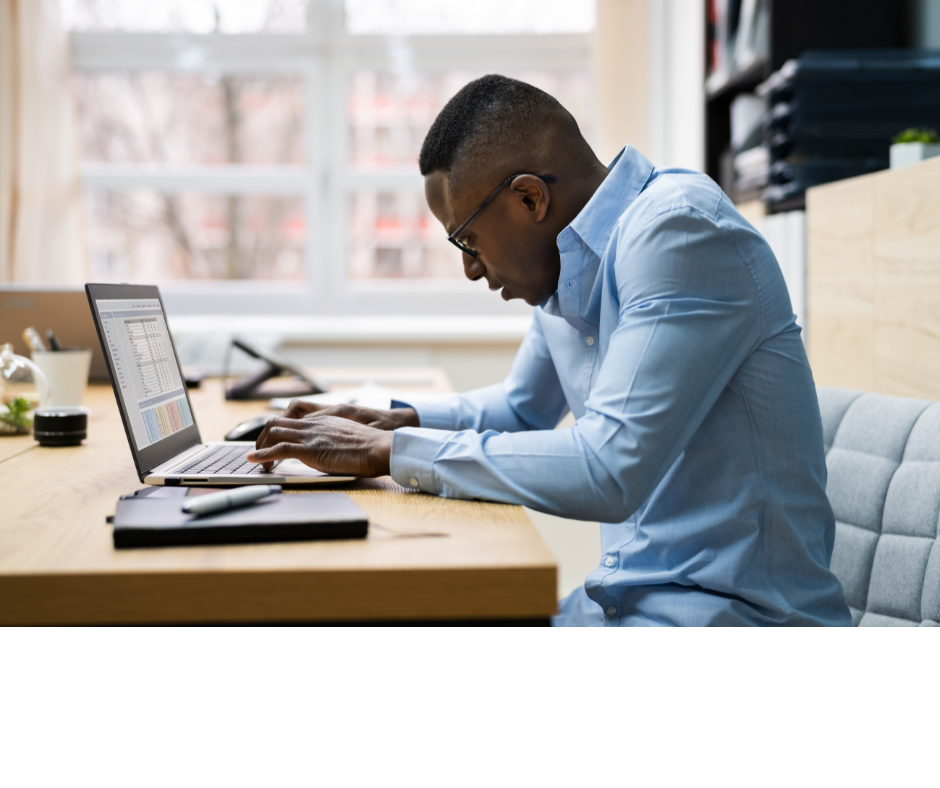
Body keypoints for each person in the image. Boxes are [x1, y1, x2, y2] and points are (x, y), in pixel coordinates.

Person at [247, 75, 851, 627]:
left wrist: (393, 452)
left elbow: (608, 469)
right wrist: (397, 420)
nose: (470, 269)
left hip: (738, 616)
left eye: (468, 239)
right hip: (625, 605)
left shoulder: (678, 235)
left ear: (530, 199)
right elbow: (519, 409)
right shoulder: (570, 270)